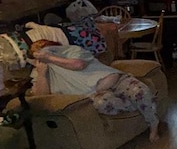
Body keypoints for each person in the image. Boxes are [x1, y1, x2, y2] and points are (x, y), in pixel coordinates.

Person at [29, 40, 160, 142]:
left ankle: (153, 124)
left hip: (115, 80)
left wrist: (50, 58)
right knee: (101, 104)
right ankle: (142, 104)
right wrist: (42, 74)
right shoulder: (40, 72)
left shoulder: (72, 50)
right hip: (97, 94)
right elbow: (40, 97)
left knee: (140, 92)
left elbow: (79, 65)